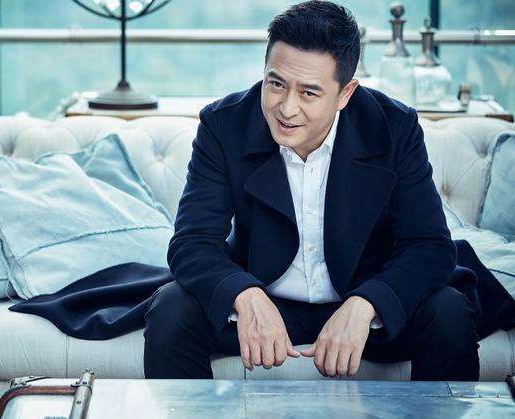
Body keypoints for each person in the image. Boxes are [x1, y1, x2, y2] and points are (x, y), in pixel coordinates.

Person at [142, 0, 480, 380]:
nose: (286, 108)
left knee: (449, 312)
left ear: (345, 93)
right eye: (276, 84)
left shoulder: (394, 127)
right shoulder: (224, 125)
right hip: (263, 301)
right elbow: (192, 242)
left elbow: (429, 245)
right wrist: (244, 295)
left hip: (361, 308)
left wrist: (368, 303)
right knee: (171, 309)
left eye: (309, 93)